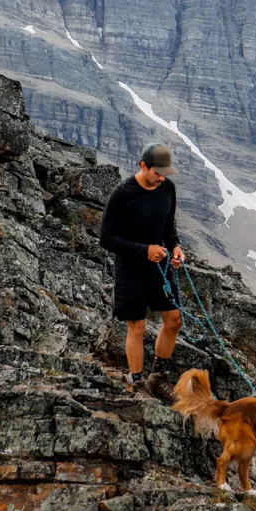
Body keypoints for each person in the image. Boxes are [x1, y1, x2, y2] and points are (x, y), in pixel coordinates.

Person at [99, 143, 185, 401]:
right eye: (157, 172)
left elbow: (168, 226)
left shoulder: (167, 188)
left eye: (165, 173)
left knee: (173, 320)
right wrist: (144, 250)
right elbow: (107, 239)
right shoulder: (122, 194)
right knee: (136, 326)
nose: (161, 178)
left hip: (159, 267)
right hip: (131, 269)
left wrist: (176, 246)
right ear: (142, 166)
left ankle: (158, 378)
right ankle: (137, 384)